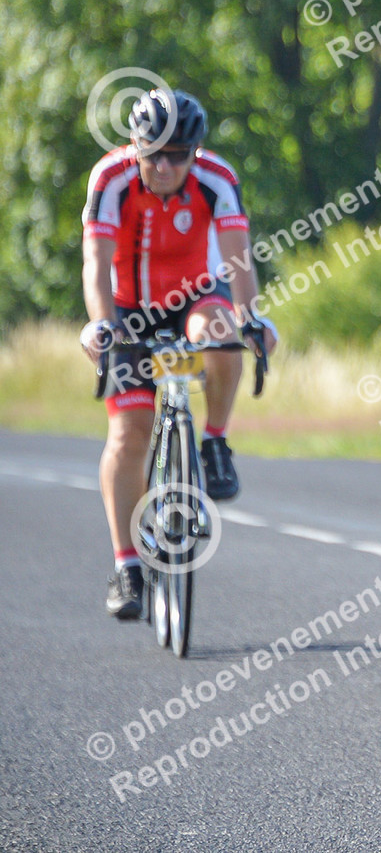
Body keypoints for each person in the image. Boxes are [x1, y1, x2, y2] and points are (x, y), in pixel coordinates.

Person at [80, 88, 278, 620]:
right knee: (129, 434)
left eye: (178, 155)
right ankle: (127, 566)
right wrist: (100, 324)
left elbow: (238, 260)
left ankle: (214, 441)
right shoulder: (110, 178)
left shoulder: (216, 178)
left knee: (224, 329)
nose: (165, 166)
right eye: (154, 155)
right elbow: (96, 262)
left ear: (195, 152)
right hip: (128, 308)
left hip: (195, 295)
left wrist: (253, 317)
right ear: (135, 146)